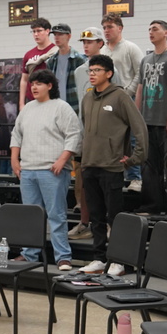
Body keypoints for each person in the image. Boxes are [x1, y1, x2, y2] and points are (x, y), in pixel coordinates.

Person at [78, 54, 148, 276]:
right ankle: (99, 259)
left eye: (97, 70)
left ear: (109, 73)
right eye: (90, 70)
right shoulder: (87, 98)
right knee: (96, 217)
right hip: (90, 166)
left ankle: (119, 261)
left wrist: (135, 159)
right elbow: (85, 129)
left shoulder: (120, 97)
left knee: (114, 218)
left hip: (112, 167)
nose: (92, 74)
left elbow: (140, 128)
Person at [10, 69, 83, 271]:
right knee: (30, 215)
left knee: (56, 215)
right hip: (28, 170)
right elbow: (16, 135)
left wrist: (62, 160)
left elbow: (74, 135)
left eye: (39, 83)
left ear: (50, 86)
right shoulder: (27, 109)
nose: (34, 87)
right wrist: (15, 160)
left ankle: (63, 257)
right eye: (32, 83)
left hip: (53, 170)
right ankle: (29, 253)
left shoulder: (62, 107)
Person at [135, 20, 167, 216]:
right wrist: (136, 118)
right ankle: (152, 205)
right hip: (147, 121)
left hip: (166, 121)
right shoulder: (145, 60)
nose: (150, 32)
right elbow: (140, 90)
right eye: (148, 29)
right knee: (149, 167)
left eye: (155, 29)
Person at [67, 26, 105, 241]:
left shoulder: (111, 69)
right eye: (83, 42)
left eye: (90, 42)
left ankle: (105, 224)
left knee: (103, 184)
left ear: (100, 44)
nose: (86, 45)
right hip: (84, 135)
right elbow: (78, 104)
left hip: (103, 138)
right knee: (82, 183)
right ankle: (84, 223)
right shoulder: (80, 71)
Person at [101, 12, 144, 190]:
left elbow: (140, 73)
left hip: (127, 97)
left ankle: (135, 178)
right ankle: (116, 175)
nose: (106, 30)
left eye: (110, 27)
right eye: (104, 28)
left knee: (132, 139)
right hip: (108, 100)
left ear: (120, 28)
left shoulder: (130, 48)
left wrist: (129, 93)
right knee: (112, 139)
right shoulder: (102, 51)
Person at [44, 23, 87, 113]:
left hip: (74, 106)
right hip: (56, 107)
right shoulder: (51, 62)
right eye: (55, 34)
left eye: (60, 34)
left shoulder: (79, 60)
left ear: (69, 36)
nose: (56, 37)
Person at [20, 17, 55, 107]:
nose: (36, 34)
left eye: (39, 31)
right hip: (31, 100)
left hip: (50, 98)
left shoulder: (56, 51)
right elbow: (24, 80)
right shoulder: (28, 54)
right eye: (33, 31)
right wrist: (21, 103)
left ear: (47, 31)